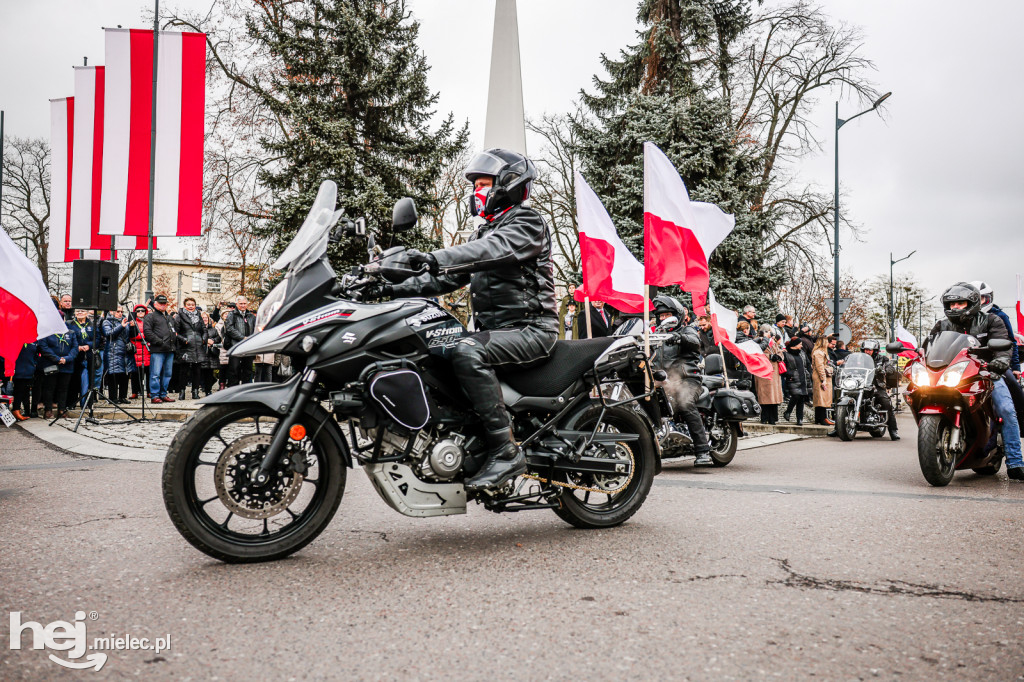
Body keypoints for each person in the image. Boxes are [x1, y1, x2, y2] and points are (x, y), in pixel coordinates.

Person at [379, 148, 558, 491]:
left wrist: (430, 257)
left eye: (483, 183)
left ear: (507, 184)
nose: (476, 191)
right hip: (496, 332)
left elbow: (489, 253)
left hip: (531, 330)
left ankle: (506, 451)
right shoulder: (485, 233)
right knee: (435, 350)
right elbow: (444, 279)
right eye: (474, 184)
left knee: (465, 350)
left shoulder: (527, 223)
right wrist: (387, 286)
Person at [926, 282, 1022, 480]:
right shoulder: (941, 325)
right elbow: (928, 347)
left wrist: (1000, 363)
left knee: (1005, 408)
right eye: (951, 304)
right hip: (953, 374)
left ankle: (1015, 461)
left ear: (972, 303)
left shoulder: (992, 320)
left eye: (960, 303)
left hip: (986, 373)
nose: (955, 307)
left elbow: (1004, 347)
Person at [654, 295, 712, 465]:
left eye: (667, 314)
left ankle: (703, 451)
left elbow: (695, 342)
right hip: (664, 381)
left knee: (685, 403)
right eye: (662, 316)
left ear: (677, 315)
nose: (664, 318)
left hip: (687, 379)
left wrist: (680, 338)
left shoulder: (687, 330)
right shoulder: (658, 335)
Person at [970, 281, 1024, 430]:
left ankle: (1020, 421)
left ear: (988, 299)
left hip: (996, 362)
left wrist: (1015, 367)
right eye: (975, 299)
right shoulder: (965, 318)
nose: (978, 303)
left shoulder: (999, 316)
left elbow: (1010, 342)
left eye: (981, 299)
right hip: (970, 364)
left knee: (1014, 387)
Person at [860, 340, 900, 440]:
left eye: (869, 350)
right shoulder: (859, 359)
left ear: (875, 351)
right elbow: (850, 365)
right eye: (866, 350)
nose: (867, 352)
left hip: (876, 386)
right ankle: (838, 426)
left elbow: (889, 366)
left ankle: (893, 430)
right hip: (860, 385)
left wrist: (887, 370)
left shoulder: (882, 359)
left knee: (886, 403)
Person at [144, 294, 177, 403]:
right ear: (155, 304)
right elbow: (148, 333)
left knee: (168, 374)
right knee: (155, 374)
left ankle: (163, 394)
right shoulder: (150, 316)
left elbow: (174, 332)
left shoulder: (169, 317)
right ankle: (154, 396)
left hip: (170, 349)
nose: (163, 305)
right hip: (158, 349)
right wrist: (160, 342)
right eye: (160, 303)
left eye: (164, 303)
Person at [38, 329, 78, 418]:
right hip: (50, 364)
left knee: (63, 388)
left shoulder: (71, 333)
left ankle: (62, 410)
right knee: (49, 388)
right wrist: (57, 359)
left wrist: (67, 359)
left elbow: (75, 348)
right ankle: (48, 410)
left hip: (66, 365)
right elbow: (43, 347)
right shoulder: (46, 332)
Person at [103, 307, 137, 404]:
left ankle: (122, 397)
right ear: (111, 311)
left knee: (124, 375)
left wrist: (133, 327)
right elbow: (109, 334)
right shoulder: (107, 322)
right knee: (113, 375)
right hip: (113, 352)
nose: (120, 313)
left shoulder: (125, 321)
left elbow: (132, 336)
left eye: (122, 311)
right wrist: (121, 326)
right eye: (118, 311)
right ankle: (113, 398)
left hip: (125, 352)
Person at [174, 297, 206, 400]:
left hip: (198, 346)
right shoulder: (179, 316)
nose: (191, 306)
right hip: (185, 347)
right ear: (185, 306)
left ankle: (195, 392)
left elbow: (204, 330)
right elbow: (175, 332)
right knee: (184, 371)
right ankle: (182, 392)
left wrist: (203, 339)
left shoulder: (199, 315)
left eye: (193, 304)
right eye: (189, 304)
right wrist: (184, 340)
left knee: (197, 371)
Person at [223, 296, 256, 386]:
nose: (243, 305)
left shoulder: (251, 316)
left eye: (244, 303)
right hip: (235, 345)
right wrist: (242, 338)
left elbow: (255, 329)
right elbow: (229, 329)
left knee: (248, 370)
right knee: (234, 369)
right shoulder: (231, 315)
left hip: (248, 347)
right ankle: (233, 389)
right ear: (237, 304)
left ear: (247, 304)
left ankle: (245, 390)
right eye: (241, 303)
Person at [755, 329, 784, 425]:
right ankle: (764, 418)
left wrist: (778, 356)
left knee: (773, 397)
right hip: (763, 372)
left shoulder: (773, 343)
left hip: (774, 372)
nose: (771, 334)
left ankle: (773, 418)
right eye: (768, 332)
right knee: (765, 397)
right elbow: (756, 354)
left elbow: (780, 352)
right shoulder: (758, 341)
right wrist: (770, 357)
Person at [782, 336, 811, 425]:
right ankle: (788, 411)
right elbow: (783, 366)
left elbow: (808, 364)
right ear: (795, 345)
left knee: (801, 398)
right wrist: (788, 374)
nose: (801, 346)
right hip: (793, 378)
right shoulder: (786, 354)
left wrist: (809, 373)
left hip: (803, 378)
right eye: (800, 344)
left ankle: (800, 419)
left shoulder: (802, 353)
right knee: (796, 396)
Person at [810, 336, 834, 426]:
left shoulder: (819, 352)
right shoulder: (819, 353)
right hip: (821, 377)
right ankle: (823, 418)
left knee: (821, 398)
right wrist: (823, 379)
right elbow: (820, 367)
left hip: (820, 376)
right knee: (822, 398)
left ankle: (819, 418)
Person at [10, 343, 38, 421]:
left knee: (26, 391)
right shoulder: (15, 340)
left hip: (29, 370)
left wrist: (34, 363)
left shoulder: (33, 342)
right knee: (18, 391)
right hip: (17, 370)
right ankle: (16, 409)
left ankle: (26, 411)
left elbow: (36, 355)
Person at [129, 305, 151, 399]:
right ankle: (135, 392)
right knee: (135, 372)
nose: (140, 312)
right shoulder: (133, 322)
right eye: (138, 311)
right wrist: (142, 335)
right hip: (137, 349)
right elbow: (132, 335)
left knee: (149, 371)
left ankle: (149, 392)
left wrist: (142, 336)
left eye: (143, 310)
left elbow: (151, 333)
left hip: (147, 348)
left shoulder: (149, 322)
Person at [200, 311, 220, 395]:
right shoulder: (198, 329)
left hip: (211, 354)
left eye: (206, 318)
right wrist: (205, 341)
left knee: (209, 373)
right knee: (201, 373)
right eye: (203, 317)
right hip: (201, 353)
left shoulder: (213, 329)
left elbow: (218, 338)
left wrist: (213, 341)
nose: (204, 319)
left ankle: (208, 390)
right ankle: (202, 387)